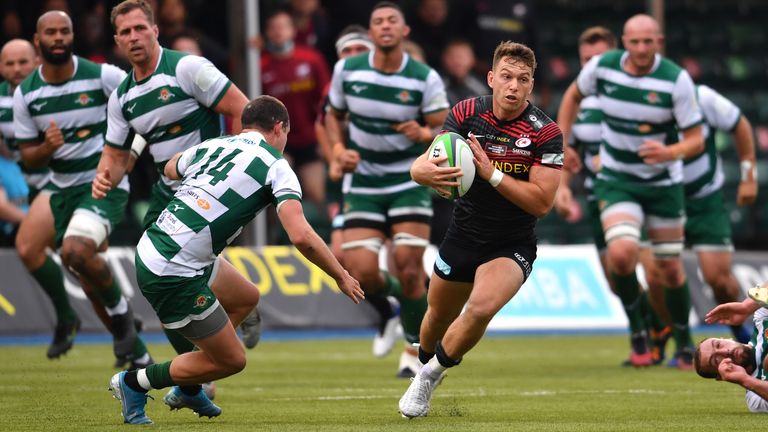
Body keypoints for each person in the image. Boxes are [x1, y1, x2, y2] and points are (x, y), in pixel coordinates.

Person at [108, 95, 365, 425]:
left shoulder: (214, 146)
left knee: (246, 297)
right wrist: (341, 275)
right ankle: (133, 383)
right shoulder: (277, 166)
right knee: (231, 361)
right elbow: (301, 236)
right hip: (174, 269)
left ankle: (191, 383)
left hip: (159, 245)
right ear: (279, 127)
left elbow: (171, 168)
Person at [399, 41, 563, 418]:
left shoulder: (546, 133)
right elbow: (433, 159)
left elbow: (541, 203)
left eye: (522, 79)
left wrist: (491, 173)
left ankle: (428, 376)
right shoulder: (466, 111)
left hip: (512, 243)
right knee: (436, 317)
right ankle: (426, 360)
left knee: (479, 309)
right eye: (506, 76)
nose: (513, 86)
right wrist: (417, 170)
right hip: (463, 234)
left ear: (531, 85)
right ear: (491, 78)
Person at [91, 1, 256, 364]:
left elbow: (244, 112)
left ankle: (196, 376)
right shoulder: (122, 97)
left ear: (155, 30)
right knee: (161, 278)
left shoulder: (187, 68)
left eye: (140, 28)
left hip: (207, 193)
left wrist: (236, 170)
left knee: (164, 275)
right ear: (117, 40)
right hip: (167, 195)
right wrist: (103, 179)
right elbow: (116, 156)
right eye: (125, 32)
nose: (134, 37)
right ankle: (237, 308)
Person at [557, 14, 704, 368]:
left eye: (647, 42)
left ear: (659, 42)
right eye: (634, 42)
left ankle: (684, 341)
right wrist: (562, 145)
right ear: (624, 42)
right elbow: (572, 96)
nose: (641, 49)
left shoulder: (675, 80)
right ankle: (639, 330)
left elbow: (696, 140)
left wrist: (670, 152)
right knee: (621, 255)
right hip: (617, 179)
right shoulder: (603, 68)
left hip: (663, 184)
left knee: (668, 269)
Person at [13, 11, 152, 367]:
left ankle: (121, 321)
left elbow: (145, 109)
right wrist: (47, 147)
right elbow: (28, 158)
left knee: (76, 252)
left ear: (73, 35)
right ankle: (139, 357)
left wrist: (129, 156)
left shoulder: (102, 75)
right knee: (87, 274)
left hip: (102, 182)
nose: (58, 37)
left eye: (64, 31)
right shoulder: (26, 94)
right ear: (38, 40)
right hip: (61, 192)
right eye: (51, 32)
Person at [325, 1, 449, 378]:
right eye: (378, 21)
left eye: (392, 20)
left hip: (408, 180)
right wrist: (337, 149)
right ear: (371, 32)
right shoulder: (346, 70)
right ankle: (404, 304)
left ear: (404, 30)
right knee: (362, 273)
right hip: (364, 180)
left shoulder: (424, 77)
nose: (385, 26)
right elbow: (332, 114)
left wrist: (424, 133)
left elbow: (445, 128)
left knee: (410, 267)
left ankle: (416, 351)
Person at [643, 83, 758, 355]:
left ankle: (741, 334)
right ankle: (682, 343)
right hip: (661, 199)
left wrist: (748, 174)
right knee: (655, 276)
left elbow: (740, 125)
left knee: (719, 279)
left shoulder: (701, 96)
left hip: (704, 200)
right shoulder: (637, 103)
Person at [315, 25, 403, 359]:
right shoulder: (336, 87)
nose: (351, 58)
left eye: (357, 51)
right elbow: (322, 122)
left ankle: (416, 328)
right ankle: (388, 311)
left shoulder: (388, 82)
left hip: (397, 183)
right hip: (358, 185)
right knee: (340, 255)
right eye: (345, 53)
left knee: (401, 258)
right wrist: (335, 155)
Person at [261, 8, 330, 207]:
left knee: (317, 195)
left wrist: (323, 137)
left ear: (292, 30)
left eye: (283, 27)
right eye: (273, 28)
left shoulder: (311, 59)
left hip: (309, 139)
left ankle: (320, 236)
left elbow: (326, 100)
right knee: (277, 196)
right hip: (279, 141)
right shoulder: (260, 65)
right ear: (266, 33)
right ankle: (277, 237)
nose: (278, 32)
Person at [695, 285, 768, 412]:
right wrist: (745, 380)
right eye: (717, 360)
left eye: (719, 345)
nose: (725, 352)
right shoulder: (755, 397)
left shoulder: (761, 319)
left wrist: (746, 307)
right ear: (721, 376)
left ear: (726, 339)